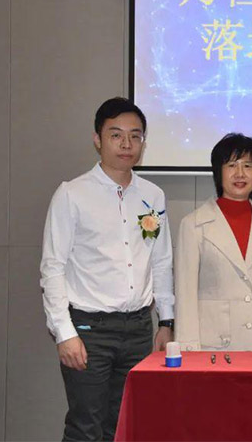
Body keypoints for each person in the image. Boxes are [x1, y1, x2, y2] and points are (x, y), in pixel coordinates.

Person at [40, 97, 174, 441]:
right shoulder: (72, 194)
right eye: (116, 135)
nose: (126, 144)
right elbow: (53, 267)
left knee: (125, 425)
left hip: (139, 329)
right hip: (89, 329)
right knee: (86, 427)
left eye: (135, 136)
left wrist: (166, 321)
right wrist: (64, 332)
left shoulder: (153, 195)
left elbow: (161, 260)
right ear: (97, 139)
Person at [175, 133, 252, 351]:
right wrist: (188, 350)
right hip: (214, 348)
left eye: (248, 166)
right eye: (232, 165)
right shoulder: (193, 225)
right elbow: (185, 295)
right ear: (218, 172)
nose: (240, 173)